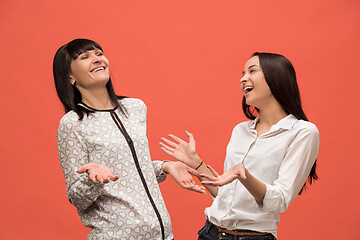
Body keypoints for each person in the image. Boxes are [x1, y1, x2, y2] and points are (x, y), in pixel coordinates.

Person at [53, 38, 205, 240]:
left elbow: (130, 169)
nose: (97, 59)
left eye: (99, 54)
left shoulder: (135, 108)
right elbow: (77, 198)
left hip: (163, 235)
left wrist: (165, 166)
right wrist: (94, 180)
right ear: (70, 76)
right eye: (85, 57)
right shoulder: (72, 124)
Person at [160, 52, 320, 239]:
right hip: (210, 232)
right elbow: (225, 195)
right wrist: (196, 163)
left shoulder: (303, 132)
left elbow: (279, 201)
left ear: (277, 77)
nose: (243, 79)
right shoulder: (240, 130)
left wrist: (242, 175)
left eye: (252, 71)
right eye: (243, 73)